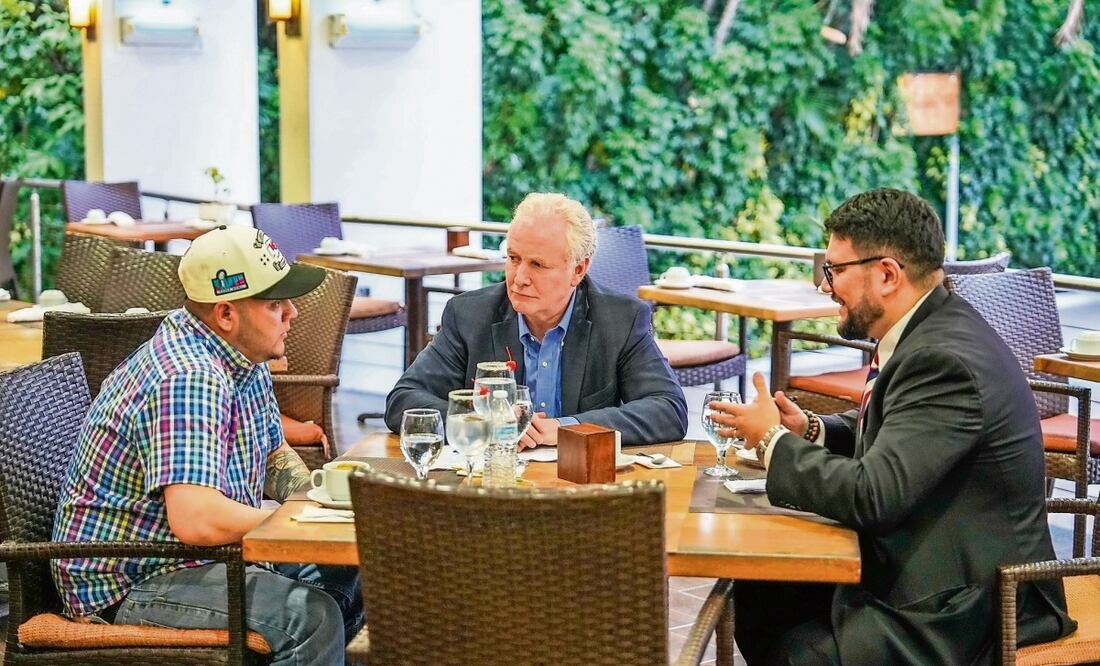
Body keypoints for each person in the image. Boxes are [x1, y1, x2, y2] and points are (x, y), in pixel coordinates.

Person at [709, 188, 1075, 664]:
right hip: (932, 560)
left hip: (972, 600)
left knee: (799, 652)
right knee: (762, 591)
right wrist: (811, 429)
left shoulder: (942, 358)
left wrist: (772, 440)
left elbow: (872, 496)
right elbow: (900, 429)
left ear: (886, 274)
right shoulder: (930, 328)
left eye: (834, 270)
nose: (824, 286)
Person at [52, 225, 363, 666]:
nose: (292, 312)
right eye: (275, 304)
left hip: (195, 559)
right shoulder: (189, 377)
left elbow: (273, 454)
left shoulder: (242, 356)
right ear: (226, 314)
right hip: (131, 578)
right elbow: (197, 521)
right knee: (310, 619)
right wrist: (296, 521)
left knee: (356, 574)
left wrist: (322, 501)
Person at [385, 192, 687, 447]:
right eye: (513, 258)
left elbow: (668, 410)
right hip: (494, 481)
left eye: (537, 265)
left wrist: (569, 428)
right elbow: (404, 400)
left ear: (578, 270)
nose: (519, 278)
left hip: (582, 485)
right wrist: (485, 423)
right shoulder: (469, 315)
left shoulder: (621, 319)